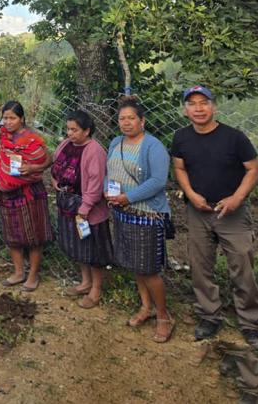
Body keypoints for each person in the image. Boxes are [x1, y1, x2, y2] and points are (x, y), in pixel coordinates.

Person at [171, 86, 258, 348]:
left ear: (213, 106)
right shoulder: (181, 137)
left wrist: (237, 198)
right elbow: (179, 167)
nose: (198, 109)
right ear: (185, 109)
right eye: (192, 104)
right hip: (198, 211)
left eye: (204, 103)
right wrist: (190, 193)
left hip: (231, 213)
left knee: (242, 265)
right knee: (200, 266)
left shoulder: (233, 138)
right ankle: (209, 316)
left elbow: (254, 169)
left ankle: (250, 322)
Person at [106, 96, 174, 343]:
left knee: (149, 269)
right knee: (136, 264)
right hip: (122, 213)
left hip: (147, 215)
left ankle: (163, 316)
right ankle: (146, 307)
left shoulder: (153, 146)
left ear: (142, 121)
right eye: (122, 118)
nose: (126, 123)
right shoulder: (116, 142)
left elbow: (157, 182)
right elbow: (109, 171)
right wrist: (110, 192)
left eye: (131, 118)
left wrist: (128, 197)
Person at [51, 110, 113, 309]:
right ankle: (85, 282)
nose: (70, 134)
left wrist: (85, 207)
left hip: (88, 209)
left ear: (87, 131)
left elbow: (95, 183)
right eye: (68, 129)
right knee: (79, 246)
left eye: (75, 130)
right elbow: (56, 164)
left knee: (93, 249)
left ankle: (96, 288)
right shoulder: (66, 145)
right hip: (68, 205)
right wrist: (55, 181)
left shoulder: (94, 151)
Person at [0, 101, 53, 292]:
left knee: (34, 235)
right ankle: (18, 272)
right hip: (8, 194)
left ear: (22, 119)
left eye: (12, 118)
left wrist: (33, 168)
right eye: (5, 118)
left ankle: (33, 275)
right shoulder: (0, 137)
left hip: (30, 194)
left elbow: (47, 158)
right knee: (12, 235)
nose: (8, 122)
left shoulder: (32, 139)